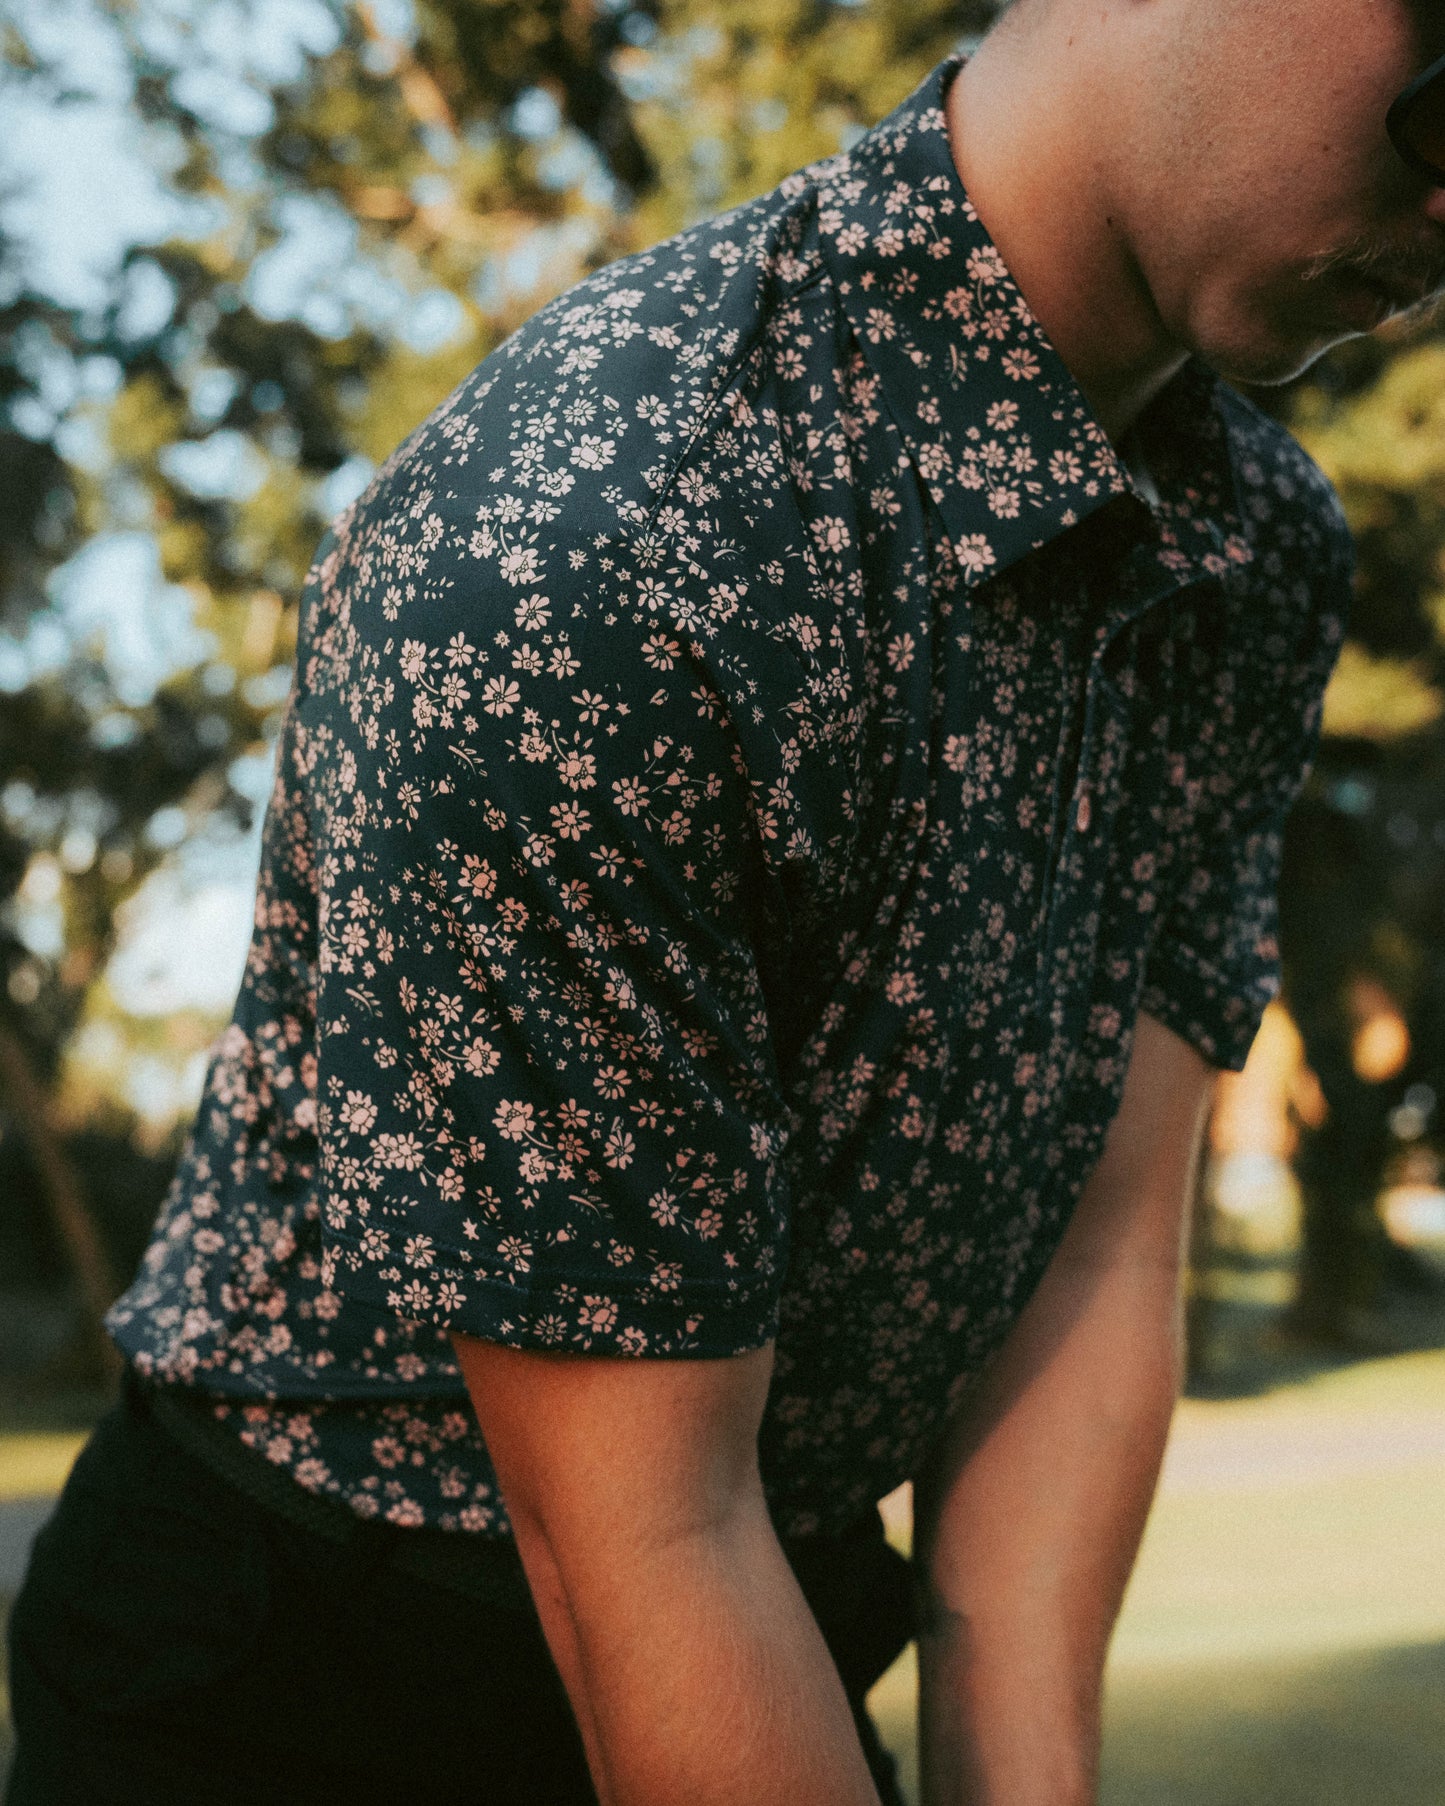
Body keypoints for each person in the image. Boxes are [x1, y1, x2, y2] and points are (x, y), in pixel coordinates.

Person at [10, 3, 1445, 1802]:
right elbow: (643, 1534)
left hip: (771, 1578)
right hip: (297, 1668)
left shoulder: (1254, 545)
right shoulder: (589, 551)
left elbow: (1089, 1252)